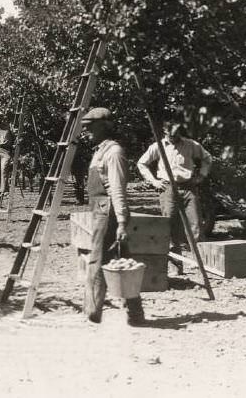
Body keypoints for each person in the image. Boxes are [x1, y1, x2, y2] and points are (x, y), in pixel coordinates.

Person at [81, 106, 145, 326]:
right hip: (100, 209)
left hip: (107, 210)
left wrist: (121, 222)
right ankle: (136, 313)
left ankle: (92, 312)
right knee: (122, 260)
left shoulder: (114, 152)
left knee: (97, 260)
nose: (86, 131)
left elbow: (117, 189)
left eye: (90, 127)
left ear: (105, 127)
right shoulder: (100, 150)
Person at [136, 115, 213, 251]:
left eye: (177, 133)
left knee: (196, 225)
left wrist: (201, 175)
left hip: (189, 188)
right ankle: (176, 266)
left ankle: (201, 264)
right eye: (171, 134)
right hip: (167, 188)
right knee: (169, 225)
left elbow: (207, 158)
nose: (174, 137)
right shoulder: (157, 146)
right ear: (165, 132)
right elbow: (142, 163)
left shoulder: (191, 145)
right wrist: (154, 181)